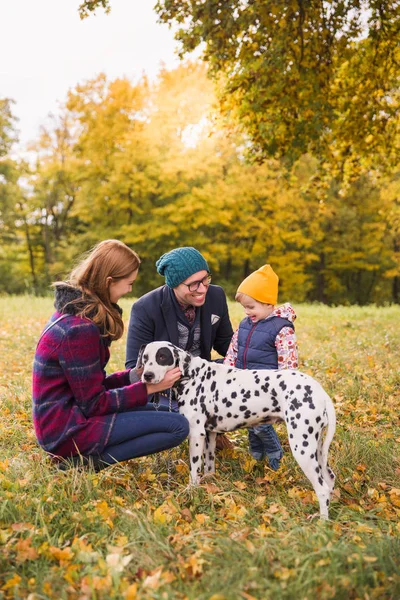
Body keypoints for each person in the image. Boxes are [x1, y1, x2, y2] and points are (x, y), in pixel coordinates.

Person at [32, 240, 189, 471]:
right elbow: (94, 404)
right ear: (109, 282)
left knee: (170, 410)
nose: (130, 290)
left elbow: (90, 386)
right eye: (129, 283)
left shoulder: (73, 311)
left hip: (66, 419)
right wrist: (149, 389)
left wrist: (135, 377)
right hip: (66, 431)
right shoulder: (79, 329)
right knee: (178, 426)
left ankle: (85, 456)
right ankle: (84, 463)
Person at [125, 246, 234, 449]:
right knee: (171, 413)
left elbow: (226, 344)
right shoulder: (145, 308)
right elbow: (134, 365)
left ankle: (217, 426)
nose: (202, 289)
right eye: (193, 284)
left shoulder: (216, 296)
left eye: (205, 279)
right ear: (175, 285)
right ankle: (194, 424)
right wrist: (168, 381)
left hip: (203, 379)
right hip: (165, 385)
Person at [224, 264, 298, 469]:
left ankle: (275, 453)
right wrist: (228, 373)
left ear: (268, 304)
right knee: (249, 421)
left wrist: (285, 389)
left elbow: (288, 361)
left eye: (251, 307)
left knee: (261, 424)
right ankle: (256, 454)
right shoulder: (245, 324)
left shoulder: (281, 329)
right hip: (244, 383)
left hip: (267, 387)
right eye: (244, 307)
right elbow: (233, 351)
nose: (247, 312)